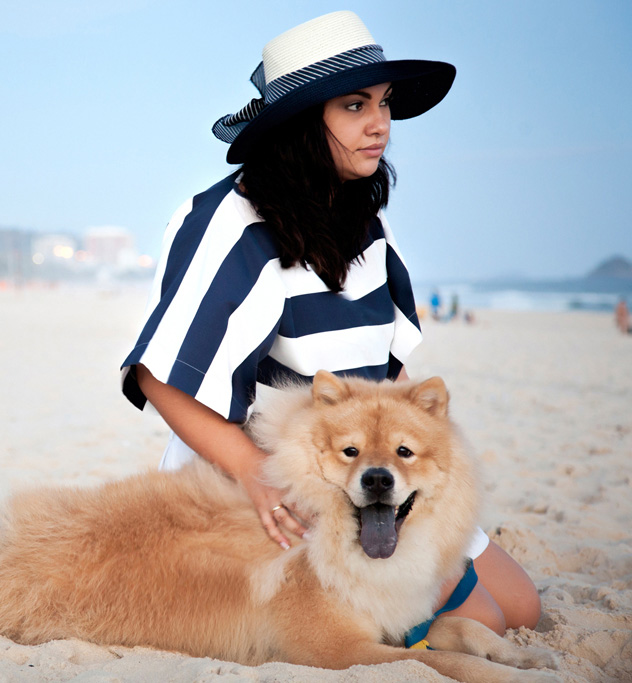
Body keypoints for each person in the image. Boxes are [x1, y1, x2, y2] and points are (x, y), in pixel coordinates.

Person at [120, 11, 540, 636]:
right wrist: (263, 481)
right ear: (299, 125)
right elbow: (161, 377)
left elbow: (387, 370)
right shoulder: (231, 223)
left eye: (384, 104)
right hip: (268, 480)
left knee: (524, 607)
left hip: (364, 469)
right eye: (354, 106)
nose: (381, 126)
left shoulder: (364, 220)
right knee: (486, 621)